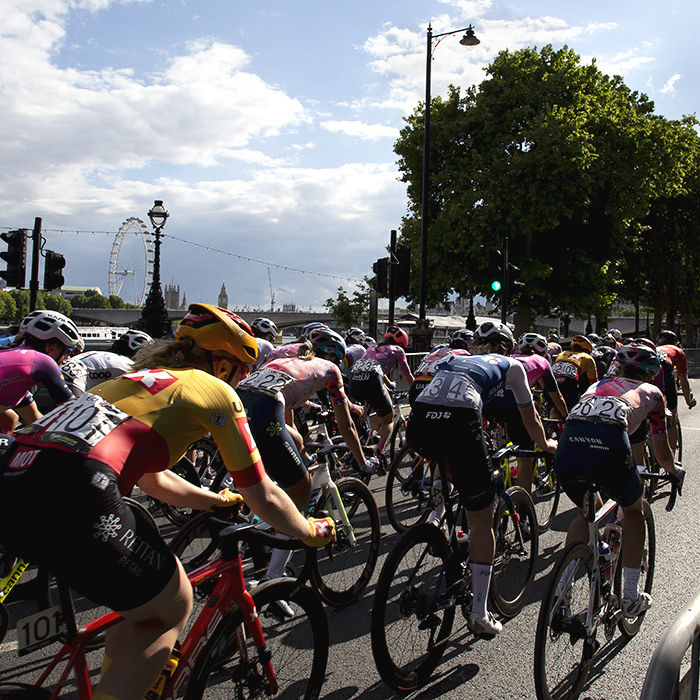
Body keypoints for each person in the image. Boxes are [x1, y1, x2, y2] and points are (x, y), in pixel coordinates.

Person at [0, 303, 335, 700]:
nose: (241, 381)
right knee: (172, 606)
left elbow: (152, 478)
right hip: (77, 489)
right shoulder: (214, 390)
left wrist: (212, 501)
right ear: (224, 364)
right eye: (241, 371)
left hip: (14, 473)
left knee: (142, 605)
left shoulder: (132, 381)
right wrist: (309, 528)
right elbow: (260, 491)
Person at [406, 321, 557, 636]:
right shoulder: (512, 365)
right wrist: (547, 445)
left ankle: (440, 521)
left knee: (446, 463)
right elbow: (529, 418)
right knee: (482, 520)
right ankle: (479, 612)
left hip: (420, 422)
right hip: (462, 422)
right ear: (507, 347)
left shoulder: (452, 358)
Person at [236, 327, 376, 585]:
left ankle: (259, 518)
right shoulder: (331, 370)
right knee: (301, 492)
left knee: (297, 441)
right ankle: (273, 577)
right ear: (336, 357)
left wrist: (296, 446)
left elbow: (286, 409)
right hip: (267, 409)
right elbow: (346, 427)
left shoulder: (283, 352)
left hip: (238, 402)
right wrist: (362, 462)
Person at [555, 344, 684, 618]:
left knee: (586, 513)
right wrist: (674, 471)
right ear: (652, 372)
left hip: (570, 443)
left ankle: (560, 592)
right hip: (610, 444)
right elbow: (661, 452)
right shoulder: (654, 393)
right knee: (634, 511)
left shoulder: (599, 384)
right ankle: (630, 597)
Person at [0, 310, 83, 432]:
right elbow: (72, 411)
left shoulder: (18, 368)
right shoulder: (43, 361)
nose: (65, 361)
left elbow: (36, 420)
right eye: (66, 354)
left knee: (10, 419)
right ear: (52, 347)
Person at [506, 332, 568, 492]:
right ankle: (523, 505)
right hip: (516, 406)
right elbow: (556, 396)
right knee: (526, 456)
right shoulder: (542, 362)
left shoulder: (512, 356)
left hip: (493, 402)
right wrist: (567, 417)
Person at [349, 325, 415, 451]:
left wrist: (388, 386)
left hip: (354, 380)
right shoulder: (398, 350)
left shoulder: (372, 347)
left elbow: (375, 370)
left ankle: (368, 438)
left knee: (375, 410)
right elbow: (407, 376)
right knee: (388, 420)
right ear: (401, 343)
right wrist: (416, 391)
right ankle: (377, 452)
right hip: (373, 381)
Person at [656, 329, 696, 453]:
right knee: (671, 416)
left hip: (649, 366)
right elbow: (683, 380)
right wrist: (689, 401)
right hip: (665, 368)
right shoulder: (678, 351)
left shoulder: (654, 349)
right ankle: (672, 455)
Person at [551, 335, 598, 416]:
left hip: (552, 385)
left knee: (555, 406)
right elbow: (594, 382)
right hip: (569, 388)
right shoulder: (587, 357)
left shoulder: (562, 354)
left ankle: (551, 425)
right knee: (573, 409)